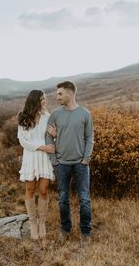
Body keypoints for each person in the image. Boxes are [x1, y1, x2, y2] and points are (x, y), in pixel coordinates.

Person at [45, 81, 94, 243]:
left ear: (70, 93)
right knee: (63, 199)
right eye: (57, 93)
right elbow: (48, 136)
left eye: (60, 93)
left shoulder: (85, 113)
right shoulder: (55, 114)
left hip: (81, 164)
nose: (56, 96)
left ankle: (86, 232)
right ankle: (65, 230)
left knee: (84, 199)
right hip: (61, 164)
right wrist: (54, 161)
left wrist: (86, 159)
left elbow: (89, 138)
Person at [17, 89, 56, 241]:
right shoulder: (23, 117)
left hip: (44, 159)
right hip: (30, 157)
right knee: (30, 189)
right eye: (42, 99)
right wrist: (42, 147)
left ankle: (42, 222)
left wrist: (55, 135)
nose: (45, 101)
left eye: (45, 99)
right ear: (34, 101)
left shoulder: (48, 117)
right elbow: (22, 141)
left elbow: (54, 137)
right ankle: (33, 223)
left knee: (44, 190)